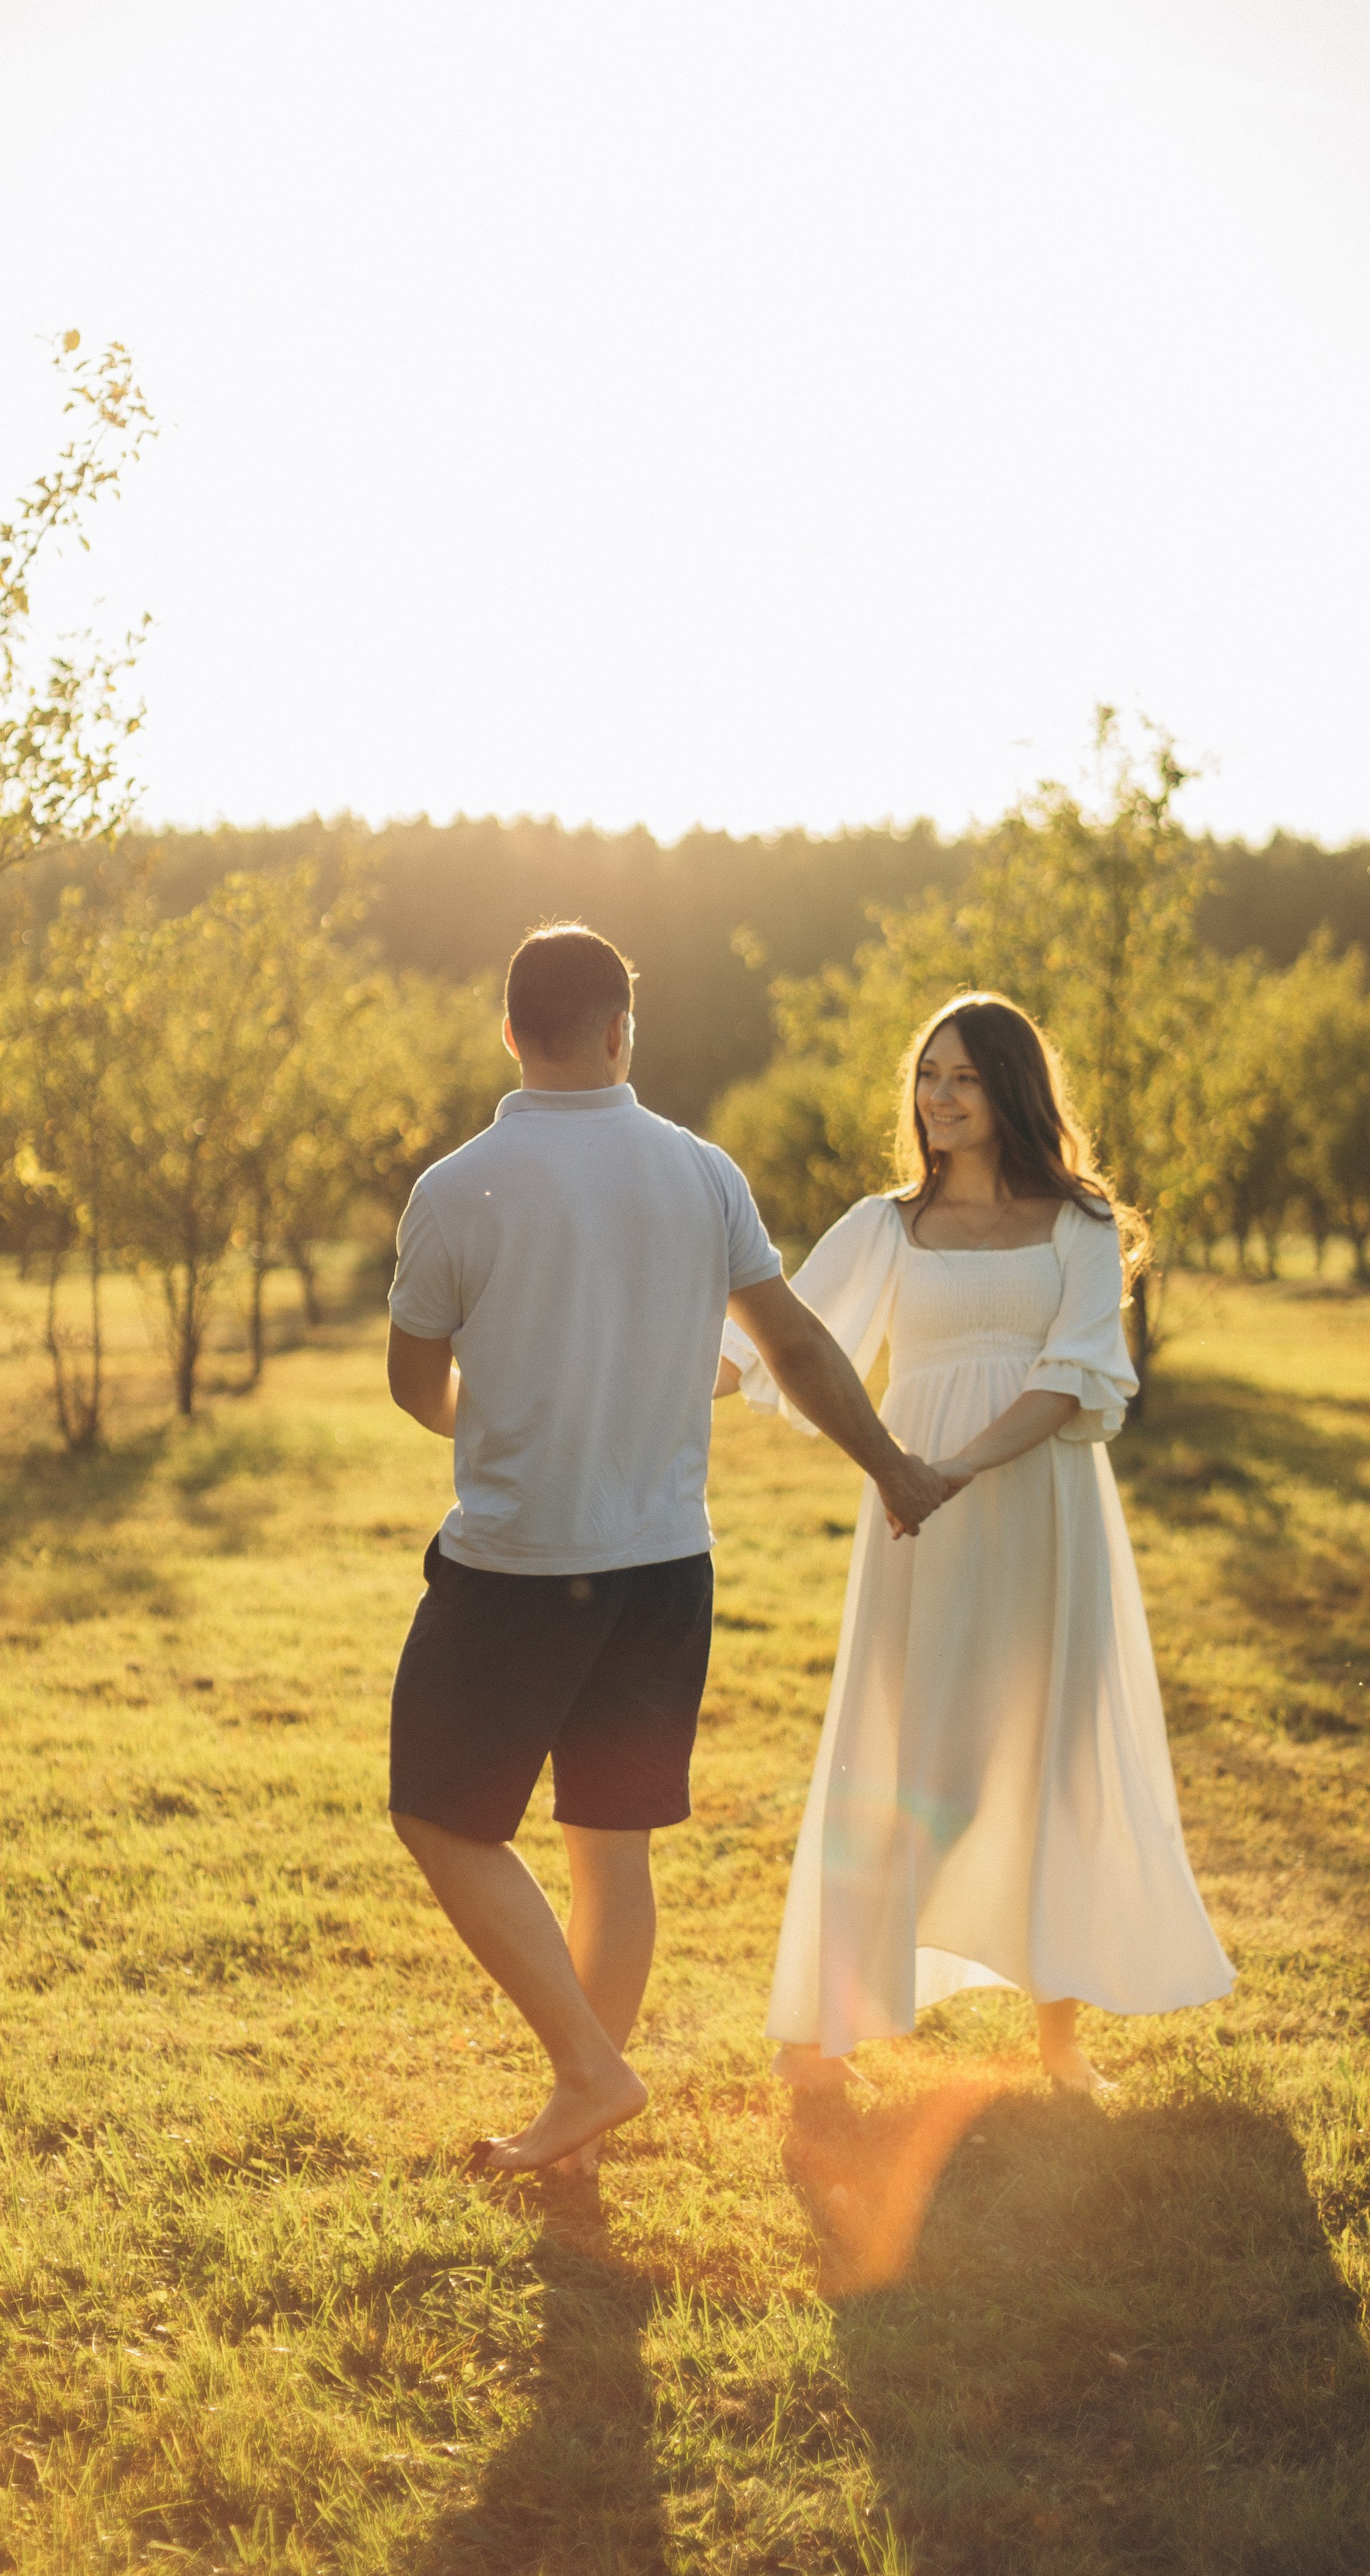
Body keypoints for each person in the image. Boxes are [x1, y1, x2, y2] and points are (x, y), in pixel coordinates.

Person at [384, 922, 953, 2175]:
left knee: (436, 1810)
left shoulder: (456, 1187)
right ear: (618, 1031)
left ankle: (588, 2076)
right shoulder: (703, 1173)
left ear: (509, 1031)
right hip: (664, 1569)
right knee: (611, 1844)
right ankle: (577, 2132)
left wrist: (490, 1418)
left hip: (517, 1563)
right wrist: (894, 1466)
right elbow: (796, 1347)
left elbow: (413, 1382)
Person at [719, 992, 1235, 2090]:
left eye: (960, 1077)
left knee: (1052, 1754)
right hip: (918, 1526)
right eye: (927, 1077)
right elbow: (771, 1341)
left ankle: (1060, 2044)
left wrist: (947, 1468)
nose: (938, 1098)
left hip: (1041, 1514)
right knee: (899, 1756)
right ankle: (817, 2036)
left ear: (1011, 1090)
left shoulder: (1083, 1228)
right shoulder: (884, 1226)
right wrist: (624, 1365)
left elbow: (1072, 1381)